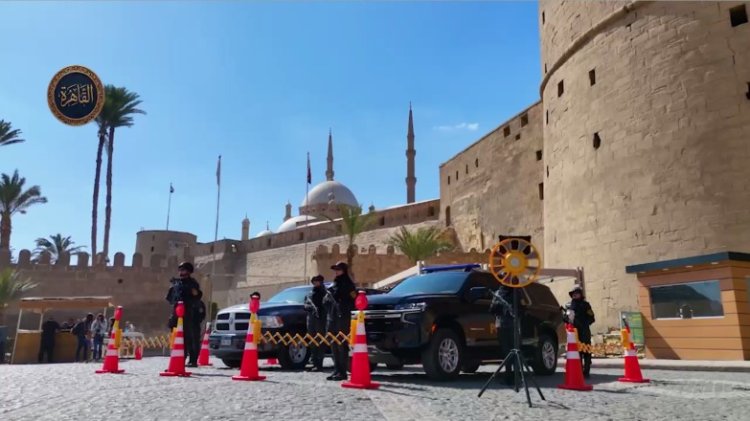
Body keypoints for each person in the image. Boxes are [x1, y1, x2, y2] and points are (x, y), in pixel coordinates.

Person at [165, 261, 203, 367]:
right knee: (176, 335)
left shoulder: (192, 283)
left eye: (183, 270)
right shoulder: (176, 283)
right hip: (177, 311)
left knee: (188, 337)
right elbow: (169, 298)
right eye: (180, 270)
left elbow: (197, 295)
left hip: (188, 311)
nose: (181, 272)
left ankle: (192, 359)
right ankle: (177, 357)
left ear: (189, 271)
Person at [323, 261, 356, 381]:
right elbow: (326, 301)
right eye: (335, 270)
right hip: (332, 317)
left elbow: (353, 301)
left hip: (343, 317)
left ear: (344, 271)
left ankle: (342, 372)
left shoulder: (349, 285)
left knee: (341, 345)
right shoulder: (334, 284)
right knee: (333, 344)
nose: (336, 272)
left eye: (339, 269)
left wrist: (342, 306)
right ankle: (337, 370)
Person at [563, 285, 595, 378]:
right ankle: (579, 371)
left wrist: (585, 323)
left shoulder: (586, 305)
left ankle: (586, 371)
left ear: (580, 294)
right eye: (573, 294)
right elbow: (565, 319)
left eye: (576, 293)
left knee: (587, 351)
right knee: (577, 352)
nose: (575, 295)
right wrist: (567, 317)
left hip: (584, 331)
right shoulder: (569, 306)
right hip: (574, 332)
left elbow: (592, 318)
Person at [489, 285, 517, 385]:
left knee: (515, 351)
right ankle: (508, 376)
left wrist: (511, 308)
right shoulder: (498, 293)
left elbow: (520, 309)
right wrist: (498, 305)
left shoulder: (515, 292)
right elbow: (491, 310)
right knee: (506, 352)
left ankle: (516, 376)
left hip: (513, 326)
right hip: (501, 325)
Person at [303, 275, 327, 371]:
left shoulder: (325, 293)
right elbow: (305, 304)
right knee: (312, 341)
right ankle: (314, 362)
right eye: (314, 281)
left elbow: (328, 305)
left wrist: (321, 309)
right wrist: (308, 307)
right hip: (311, 319)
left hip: (321, 319)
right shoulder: (310, 293)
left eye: (318, 281)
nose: (316, 283)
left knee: (320, 341)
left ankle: (319, 363)